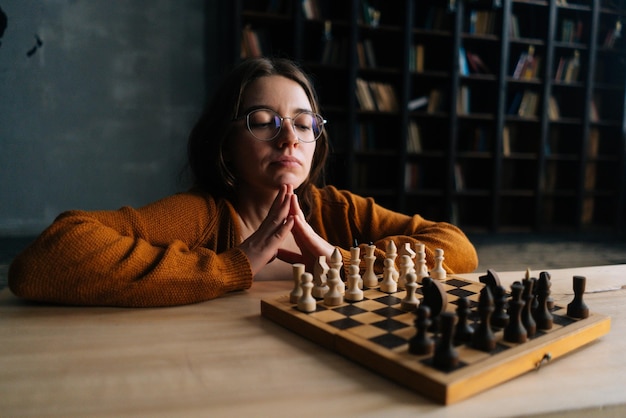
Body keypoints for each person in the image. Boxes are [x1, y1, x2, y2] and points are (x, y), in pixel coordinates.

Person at [8, 57, 478, 307]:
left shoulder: (336, 208)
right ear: (226, 142)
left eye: (302, 122)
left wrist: (342, 260)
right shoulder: (203, 215)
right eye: (262, 120)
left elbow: (456, 247)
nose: (288, 138)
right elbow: (45, 261)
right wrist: (237, 265)